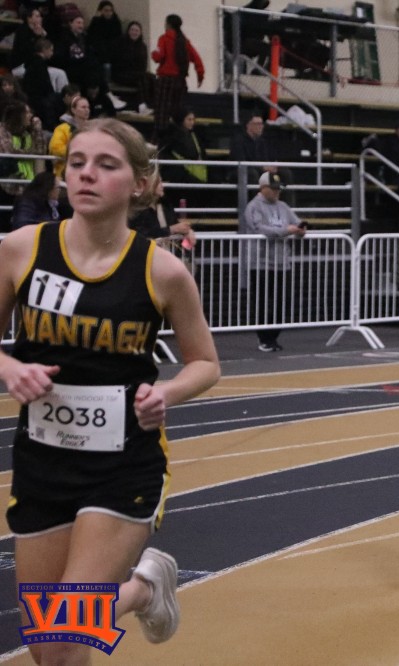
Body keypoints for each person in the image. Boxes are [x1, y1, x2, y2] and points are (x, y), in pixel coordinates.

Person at [0, 117, 220, 665]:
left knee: (65, 625)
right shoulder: (21, 249)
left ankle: (140, 589)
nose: (86, 175)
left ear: (139, 183)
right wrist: (9, 368)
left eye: (105, 164)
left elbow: (205, 364)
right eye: (76, 163)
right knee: (48, 649)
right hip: (42, 462)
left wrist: (166, 394)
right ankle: (142, 589)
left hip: (124, 466)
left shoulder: (162, 271)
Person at [244, 171, 307, 352]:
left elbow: (296, 223)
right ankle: (264, 338)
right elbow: (260, 229)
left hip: (282, 262)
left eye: (278, 189)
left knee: (282, 302)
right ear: (263, 188)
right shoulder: (253, 206)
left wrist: (301, 230)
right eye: (273, 189)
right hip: (260, 263)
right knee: (262, 303)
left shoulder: (283, 206)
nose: (277, 192)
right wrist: (287, 230)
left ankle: (273, 337)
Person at [151, 14, 204, 137]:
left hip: (165, 81)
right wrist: (200, 76)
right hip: (180, 82)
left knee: (161, 115)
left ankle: (159, 142)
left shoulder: (164, 38)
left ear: (168, 24)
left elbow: (158, 57)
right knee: (178, 114)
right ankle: (178, 139)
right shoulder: (185, 42)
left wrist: (153, 53)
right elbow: (197, 59)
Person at [128, 172, 196, 246]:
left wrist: (187, 231)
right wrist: (171, 229)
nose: (162, 185)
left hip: (167, 250)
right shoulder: (137, 209)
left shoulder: (165, 205)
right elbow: (142, 233)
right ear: (149, 185)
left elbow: (176, 224)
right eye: (159, 182)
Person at [111, 21, 155, 115]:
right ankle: (142, 106)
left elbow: (143, 65)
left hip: (136, 74)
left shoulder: (142, 46)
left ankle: (150, 104)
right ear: (128, 31)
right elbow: (118, 62)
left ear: (140, 33)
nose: (134, 32)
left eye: (136, 30)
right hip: (121, 73)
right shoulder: (121, 44)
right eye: (132, 30)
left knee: (151, 77)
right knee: (141, 78)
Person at [48, 94, 90, 179]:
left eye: (88, 107)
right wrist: (78, 153)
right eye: (83, 107)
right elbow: (55, 148)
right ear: (73, 110)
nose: (87, 110)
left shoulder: (92, 129)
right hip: (64, 173)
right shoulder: (62, 128)